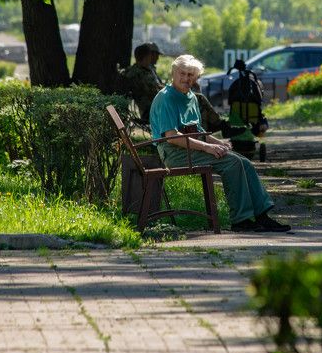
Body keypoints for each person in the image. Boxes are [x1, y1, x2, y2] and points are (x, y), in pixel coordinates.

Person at [149, 54, 290, 233]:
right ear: (173, 73)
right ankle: (241, 220)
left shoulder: (191, 97)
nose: (186, 78)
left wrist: (218, 142)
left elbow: (197, 131)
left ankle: (262, 216)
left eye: (191, 75)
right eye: (182, 74)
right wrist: (208, 147)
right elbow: (172, 137)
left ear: (196, 77)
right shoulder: (166, 98)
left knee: (244, 161)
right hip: (174, 153)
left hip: (190, 148)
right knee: (232, 163)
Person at [122, 42, 165, 120]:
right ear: (147, 56)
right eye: (151, 55)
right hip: (151, 110)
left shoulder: (146, 70)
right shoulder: (135, 73)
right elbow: (152, 91)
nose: (156, 58)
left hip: (156, 106)